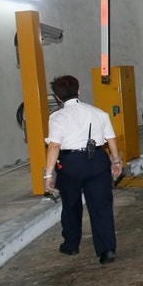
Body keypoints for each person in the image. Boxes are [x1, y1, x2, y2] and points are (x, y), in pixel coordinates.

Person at [43, 75, 122, 264]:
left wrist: (48, 174)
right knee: (101, 206)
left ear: (57, 98)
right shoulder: (99, 113)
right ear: (79, 91)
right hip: (97, 161)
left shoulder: (57, 117)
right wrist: (116, 162)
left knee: (71, 205)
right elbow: (111, 139)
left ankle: (71, 245)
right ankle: (107, 250)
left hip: (70, 164)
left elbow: (54, 146)